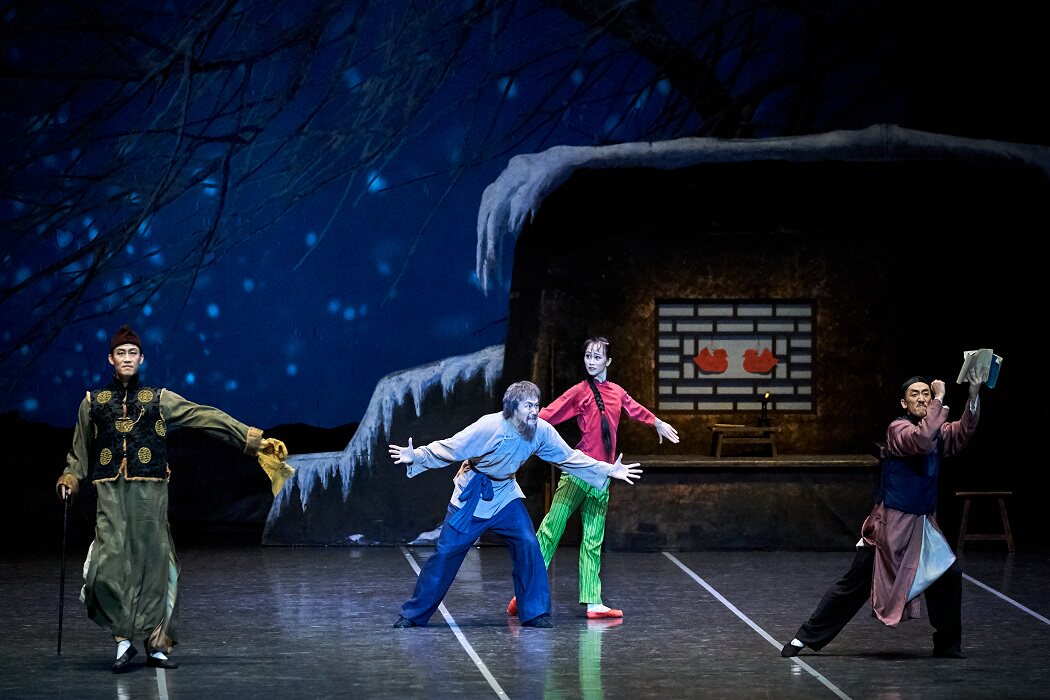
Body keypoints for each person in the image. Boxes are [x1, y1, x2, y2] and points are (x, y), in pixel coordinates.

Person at [55, 324, 294, 673]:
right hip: (110, 492)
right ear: (110, 359)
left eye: (132, 353)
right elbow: (78, 453)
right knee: (107, 567)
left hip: (150, 493)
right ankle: (123, 638)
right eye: (120, 353)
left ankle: (156, 644)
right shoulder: (93, 402)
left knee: (155, 565)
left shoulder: (159, 399)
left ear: (141, 358)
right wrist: (70, 479)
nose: (126, 358)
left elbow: (204, 416)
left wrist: (251, 440)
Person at [388, 380, 643, 629]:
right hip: (472, 495)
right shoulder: (489, 427)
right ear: (512, 408)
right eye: (528, 406)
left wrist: (608, 470)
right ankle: (414, 615)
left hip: (505, 494)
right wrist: (416, 456)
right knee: (446, 554)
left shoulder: (541, 431)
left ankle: (534, 612)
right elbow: (451, 448)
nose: (534, 411)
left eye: (536, 405)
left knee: (528, 544)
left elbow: (569, 458)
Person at [780, 367, 983, 660]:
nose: (922, 398)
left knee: (949, 576)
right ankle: (804, 637)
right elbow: (922, 439)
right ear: (903, 403)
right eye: (915, 394)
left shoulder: (935, 428)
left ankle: (948, 644)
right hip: (891, 528)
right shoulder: (898, 429)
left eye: (927, 394)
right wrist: (940, 400)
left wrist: (973, 395)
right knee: (854, 585)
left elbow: (961, 433)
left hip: (922, 526)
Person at [506, 336, 678, 620]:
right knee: (551, 529)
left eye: (597, 357)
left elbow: (635, 408)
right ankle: (523, 592)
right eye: (588, 356)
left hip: (604, 475)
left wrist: (657, 422)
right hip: (579, 470)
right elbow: (549, 414)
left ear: (608, 361)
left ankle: (593, 602)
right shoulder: (580, 391)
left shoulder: (617, 392)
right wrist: (520, 424)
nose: (591, 361)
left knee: (593, 539)